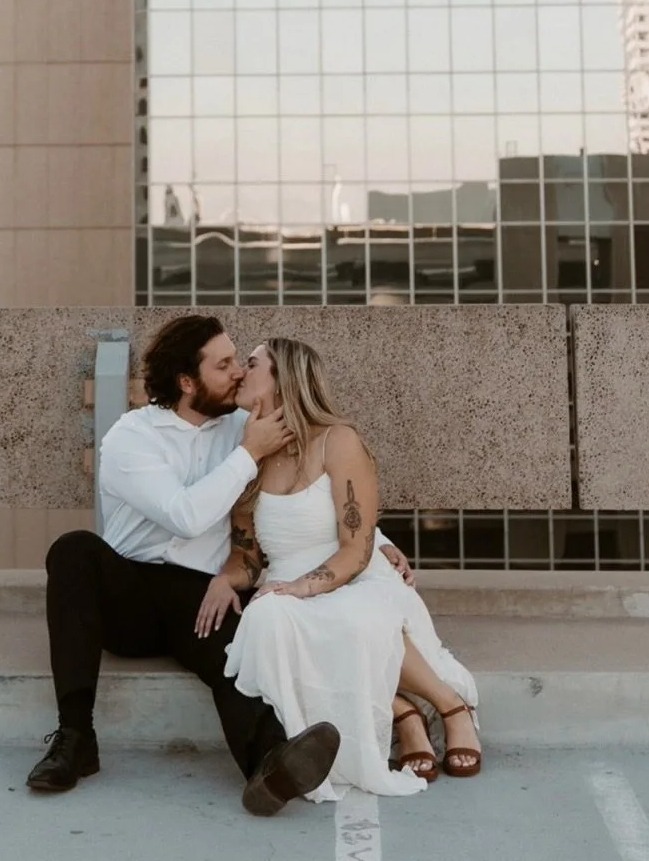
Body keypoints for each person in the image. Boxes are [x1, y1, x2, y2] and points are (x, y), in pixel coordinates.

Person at [26, 314, 416, 815]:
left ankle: (270, 767)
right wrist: (250, 453)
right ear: (187, 382)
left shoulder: (243, 424)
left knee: (237, 652)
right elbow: (185, 516)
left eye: (239, 361)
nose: (237, 372)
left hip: (207, 595)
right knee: (73, 549)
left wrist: (374, 538)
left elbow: (306, 488)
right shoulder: (133, 438)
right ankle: (75, 738)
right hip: (133, 596)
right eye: (224, 364)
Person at [215, 337, 481, 800]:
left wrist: (304, 586)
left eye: (252, 364)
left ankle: (449, 705)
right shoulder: (249, 457)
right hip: (287, 583)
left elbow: (357, 547)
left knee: (355, 618)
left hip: (350, 572)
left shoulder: (338, 441)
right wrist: (226, 578)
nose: (240, 371)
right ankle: (401, 712)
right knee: (266, 617)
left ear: (284, 378)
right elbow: (249, 555)